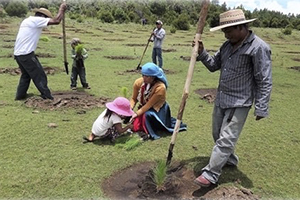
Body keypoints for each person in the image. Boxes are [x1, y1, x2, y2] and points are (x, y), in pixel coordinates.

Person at [193, 9, 272, 187]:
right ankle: (230, 159)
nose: (226, 35)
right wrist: (202, 52)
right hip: (221, 98)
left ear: (241, 27)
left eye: (229, 31)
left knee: (227, 138)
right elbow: (214, 66)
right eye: (224, 31)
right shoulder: (226, 46)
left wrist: (261, 107)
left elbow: (264, 79)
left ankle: (210, 174)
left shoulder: (258, 48)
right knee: (217, 134)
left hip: (240, 101)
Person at [14, 3, 67, 100]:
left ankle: (20, 96)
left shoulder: (27, 20)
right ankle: (47, 96)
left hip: (18, 54)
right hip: (26, 54)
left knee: (26, 75)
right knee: (39, 75)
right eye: (46, 19)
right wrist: (61, 9)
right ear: (43, 16)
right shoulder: (36, 20)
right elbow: (56, 21)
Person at [129, 62, 187, 140]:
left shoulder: (160, 88)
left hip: (157, 110)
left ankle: (151, 132)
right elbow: (134, 99)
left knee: (146, 115)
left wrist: (136, 113)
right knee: (136, 122)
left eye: (147, 76)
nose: (144, 78)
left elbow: (149, 105)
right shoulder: (138, 83)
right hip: (144, 108)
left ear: (153, 77)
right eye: (143, 75)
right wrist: (129, 110)